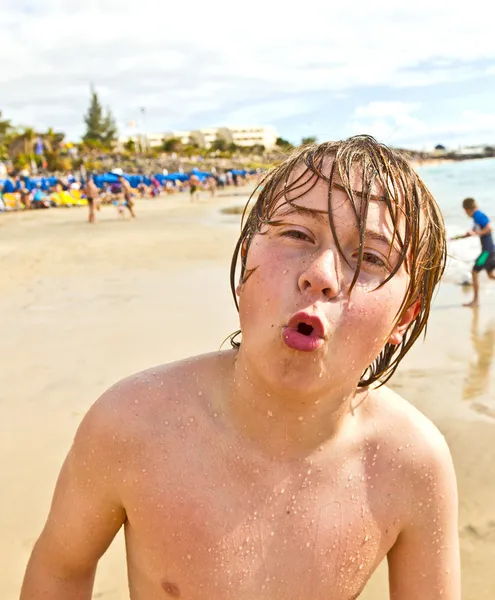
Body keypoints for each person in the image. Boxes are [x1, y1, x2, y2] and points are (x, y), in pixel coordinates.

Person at [20, 135, 460, 600]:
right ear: (246, 256)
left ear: (405, 314)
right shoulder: (132, 422)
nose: (322, 276)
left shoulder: (410, 463)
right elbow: (61, 569)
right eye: (297, 234)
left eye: (371, 258)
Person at [451, 197, 495, 307]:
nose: (466, 213)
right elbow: (473, 232)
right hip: (491, 251)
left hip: (487, 252)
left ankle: (475, 301)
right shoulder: (477, 217)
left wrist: (477, 233)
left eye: (465, 211)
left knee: (474, 272)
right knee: (490, 275)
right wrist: (458, 237)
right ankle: (475, 301)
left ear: (468, 209)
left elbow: (489, 228)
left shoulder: (478, 215)